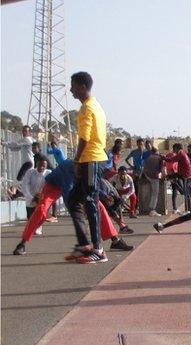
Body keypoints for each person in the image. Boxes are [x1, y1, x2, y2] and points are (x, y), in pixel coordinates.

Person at [12, 159, 132, 256]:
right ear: (78, 167)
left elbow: (92, 189)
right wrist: (79, 214)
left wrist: (104, 196)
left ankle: (115, 240)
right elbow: (68, 197)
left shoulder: (88, 169)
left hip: (72, 186)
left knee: (98, 206)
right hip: (53, 186)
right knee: (42, 209)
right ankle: (22, 244)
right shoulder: (69, 169)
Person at [65, 71, 111, 264]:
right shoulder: (96, 105)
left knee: (91, 201)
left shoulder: (87, 108)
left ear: (83, 86)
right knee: (74, 199)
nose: (71, 90)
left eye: (73, 86)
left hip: (90, 158)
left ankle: (98, 250)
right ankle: (84, 244)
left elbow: (84, 137)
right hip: (91, 158)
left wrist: (76, 160)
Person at [164, 142, 191, 212]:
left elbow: (171, 160)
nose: (174, 152)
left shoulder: (180, 154)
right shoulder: (183, 154)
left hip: (185, 175)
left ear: (177, 149)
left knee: (185, 192)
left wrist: (163, 158)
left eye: (174, 150)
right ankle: (187, 208)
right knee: (184, 191)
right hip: (183, 174)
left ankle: (187, 210)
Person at [142, 143, 164, 215]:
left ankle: (151, 209)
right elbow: (161, 170)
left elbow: (144, 167)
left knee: (152, 192)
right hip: (154, 177)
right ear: (157, 151)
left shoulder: (149, 157)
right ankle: (152, 209)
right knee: (155, 193)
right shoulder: (160, 157)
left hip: (147, 175)